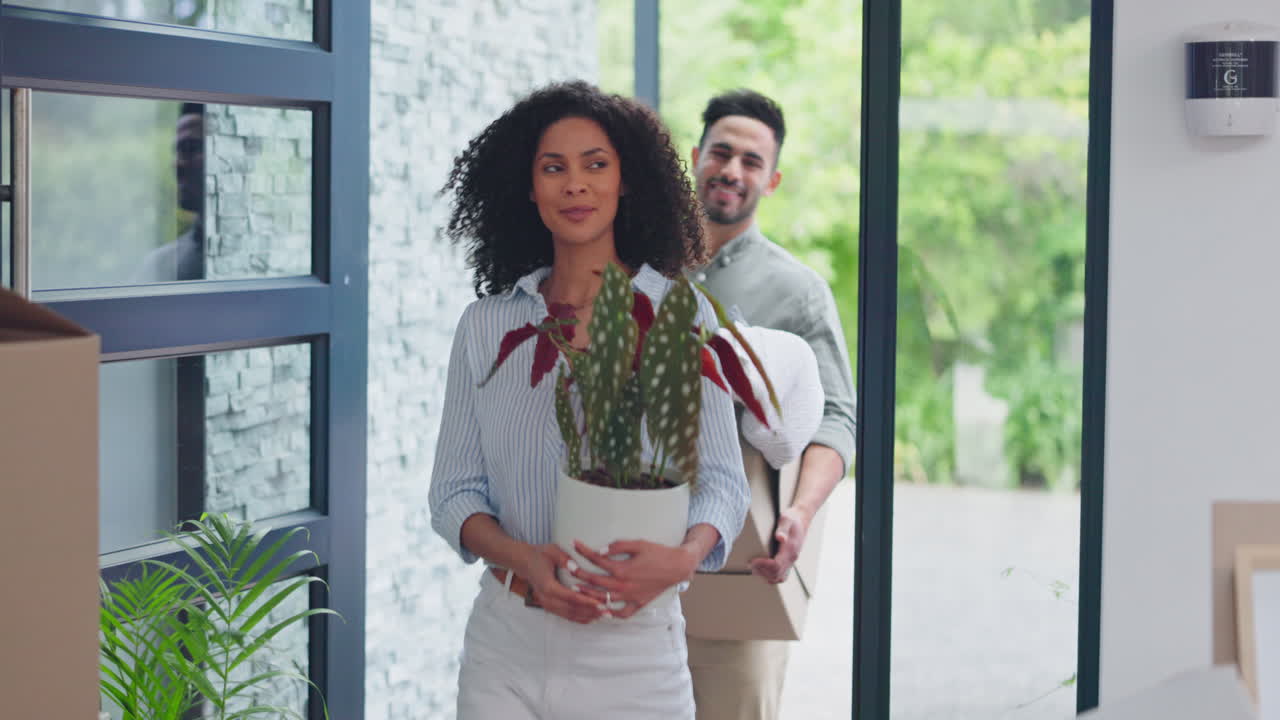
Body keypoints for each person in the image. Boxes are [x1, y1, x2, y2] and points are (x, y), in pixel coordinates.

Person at [429, 80, 750, 719]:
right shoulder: (487, 326)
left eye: (594, 165)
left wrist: (682, 560)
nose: (575, 185)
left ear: (626, 180)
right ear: (529, 187)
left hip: (633, 651)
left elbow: (721, 485)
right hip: (506, 643)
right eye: (554, 168)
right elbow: (453, 494)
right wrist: (526, 562)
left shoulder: (679, 318)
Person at [684, 89, 858, 720]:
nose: (732, 170)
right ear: (694, 156)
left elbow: (837, 419)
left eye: (751, 161)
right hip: (633, 566)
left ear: (772, 179)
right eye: (721, 153)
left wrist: (801, 514)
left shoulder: (797, 291)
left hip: (738, 572)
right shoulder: (634, 267)